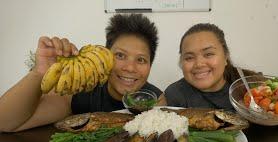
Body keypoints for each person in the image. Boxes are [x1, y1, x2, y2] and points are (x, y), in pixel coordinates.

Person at [0, 14, 162, 132]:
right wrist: (39, 72)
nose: (130, 67)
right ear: (104, 56)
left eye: (141, 60)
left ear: (150, 65)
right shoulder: (81, 92)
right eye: (120, 55)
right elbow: (5, 122)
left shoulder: (157, 101)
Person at [163, 23, 258, 110]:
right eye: (189, 57)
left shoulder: (254, 88)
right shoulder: (174, 95)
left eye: (208, 54)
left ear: (225, 57)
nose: (199, 64)